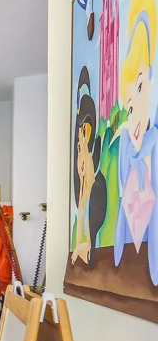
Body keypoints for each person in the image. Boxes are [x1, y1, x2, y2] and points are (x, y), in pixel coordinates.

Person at [114, 0, 158, 285]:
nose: (134, 117)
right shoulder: (128, 152)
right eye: (128, 108)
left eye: (140, 89)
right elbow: (122, 208)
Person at [70, 67, 108, 265]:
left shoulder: (98, 187)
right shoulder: (82, 192)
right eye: (78, 147)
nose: (81, 159)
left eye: (85, 139)